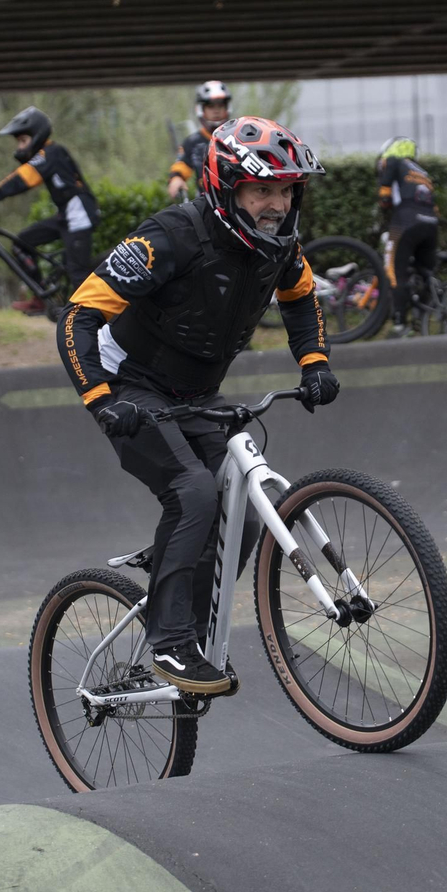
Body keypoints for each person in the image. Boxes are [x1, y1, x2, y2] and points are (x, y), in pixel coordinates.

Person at [56, 116, 340, 694]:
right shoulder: (172, 237)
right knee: (193, 492)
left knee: (250, 509)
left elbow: (302, 297)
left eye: (287, 191)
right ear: (225, 185)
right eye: (263, 189)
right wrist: (101, 400)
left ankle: (191, 622)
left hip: (196, 394)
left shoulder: (278, 248)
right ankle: (169, 643)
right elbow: (78, 317)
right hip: (130, 386)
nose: (277, 205)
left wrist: (314, 362)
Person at [0, 106, 98, 314]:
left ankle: (94, 323)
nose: (19, 147)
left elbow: (22, 178)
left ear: (37, 136)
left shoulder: (51, 152)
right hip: (66, 216)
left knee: (78, 274)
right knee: (22, 243)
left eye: (22, 141)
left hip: (79, 214)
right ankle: (41, 297)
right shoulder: (45, 156)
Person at [375, 136, 440, 338]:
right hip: (431, 224)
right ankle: (422, 318)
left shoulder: (393, 161)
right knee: (425, 273)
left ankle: (400, 324)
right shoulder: (423, 173)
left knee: (394, 270)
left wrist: (383, 202)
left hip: (406, 221)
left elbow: (385, 194)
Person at [166, 80, 231, 201]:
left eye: (220, 105)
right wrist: (176, 179)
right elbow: (181, 165)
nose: (216, 110)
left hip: (236, 201)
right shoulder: (193, 142)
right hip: (205, 203)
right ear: (202, 109)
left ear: (227, 108)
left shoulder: (236, 137)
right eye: (211, 106)